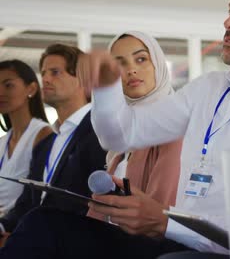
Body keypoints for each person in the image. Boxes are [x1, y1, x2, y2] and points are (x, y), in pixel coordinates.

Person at [0, 0, 230, 259]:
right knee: (44, 224)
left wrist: (164, 221)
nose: (229, 21)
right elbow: (122, 134)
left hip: (216, 251)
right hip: (174, 239)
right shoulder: (208, 89)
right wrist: (105, 87)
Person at [0, 44, 106, 234]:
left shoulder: (100, 133)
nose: (46, 79)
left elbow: (95, 203)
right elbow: (27, 202)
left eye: (55, 72)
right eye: (44, 73)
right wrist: (3, 227)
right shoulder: (47, 143)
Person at [87, 31, 182, 223]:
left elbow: (158, 216)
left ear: (158, 65)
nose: (131, 70)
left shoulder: (174, 127)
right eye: (120, 63)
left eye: (141, 59)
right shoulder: (120, 133)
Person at [0, 61, 52, 218]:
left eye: (8, 85)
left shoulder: (43, 134)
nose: (0, 92)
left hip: (19, 226)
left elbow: (36, 197)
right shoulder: (3, 142)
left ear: (31, 89)